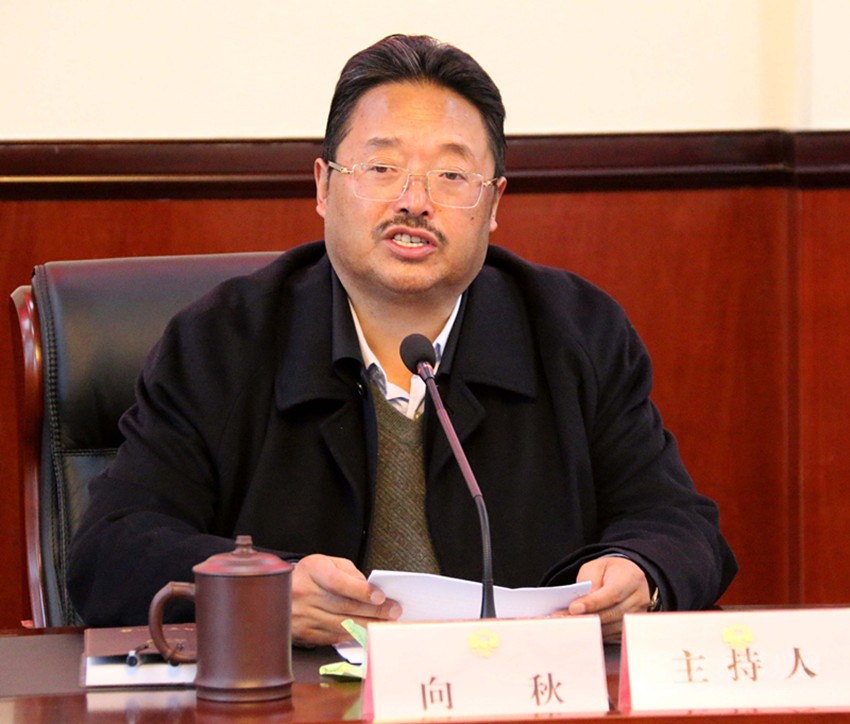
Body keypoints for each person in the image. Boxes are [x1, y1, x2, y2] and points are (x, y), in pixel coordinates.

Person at [68, 34, 737, 645]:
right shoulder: (221, 342)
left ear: (494, 204)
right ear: (324, 186)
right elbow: (110, 551)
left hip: (515, 696)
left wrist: (640, 573)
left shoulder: (576, 333)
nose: (414, 201)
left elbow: (679, 525)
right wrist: (258, 591)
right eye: (381, 168)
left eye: (452, 176)